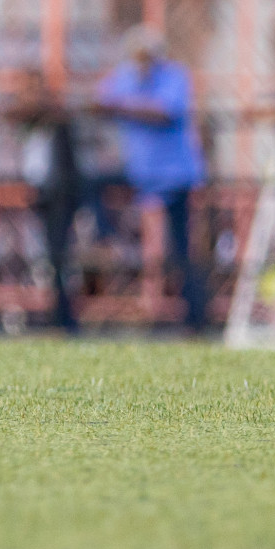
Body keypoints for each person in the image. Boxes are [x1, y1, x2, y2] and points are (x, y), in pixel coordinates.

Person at [95, 26, 209, 331]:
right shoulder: (125, 76)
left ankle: (195, 318)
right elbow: (99, 102)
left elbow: (165, 113)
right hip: (141, 173)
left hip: (176, 175)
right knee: (93, 185)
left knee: (182, 248)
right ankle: (103, 236)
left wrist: (124, 107)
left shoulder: (174, 76)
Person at [6, 70, 82, 332]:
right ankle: (57, 315)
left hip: (58, 195)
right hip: (40, 193)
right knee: (48, 256)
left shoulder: (55, 118)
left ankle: (64, 318)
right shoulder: (32, 120)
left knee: (58, 255)